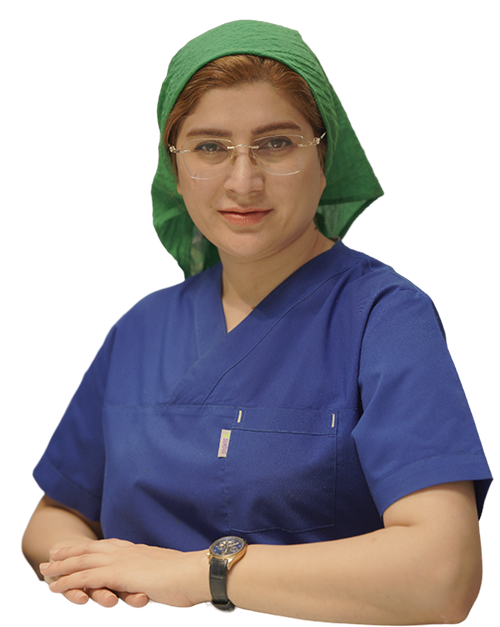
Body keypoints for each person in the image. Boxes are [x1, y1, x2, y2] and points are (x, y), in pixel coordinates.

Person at [21, 19, 492, 624]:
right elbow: (53, 517)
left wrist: (193, 575)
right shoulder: (139, 328)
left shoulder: (385, 317)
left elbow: (441, 574)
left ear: (324, 156)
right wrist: (100, 572)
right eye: (209, 147)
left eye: (276, 143)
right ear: (174, 168)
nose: (243, 182)